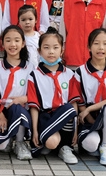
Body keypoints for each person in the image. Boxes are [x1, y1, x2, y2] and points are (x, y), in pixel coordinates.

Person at [72, 28, 106, 166]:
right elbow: (80, 101)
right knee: (90, 144)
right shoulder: (80, 72)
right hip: (88, 118)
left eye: (105, 44)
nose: (101, 47)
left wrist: (90, 109)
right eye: (96, 43)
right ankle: (98, 142)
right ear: (89, 47)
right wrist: (90, 118)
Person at [27, 29, 79, 163]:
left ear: (62, 51)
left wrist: (75, 129)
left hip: (65, 117)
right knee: (51, 142)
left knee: (68, 109)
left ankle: (65, 147)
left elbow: (74, 104)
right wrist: (35, 131)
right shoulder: (34, 76)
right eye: (46, 48)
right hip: (46, 117)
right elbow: (34, 106)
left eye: (55, 48)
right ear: (39, 51)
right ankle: (47, 139)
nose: (51, 52)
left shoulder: (70, 75)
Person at [0, 25, 34, 160]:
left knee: (16, 108)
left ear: (23, 43)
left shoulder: (30, 68)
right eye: (8, 40)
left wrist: (22, 99)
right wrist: (0, 117)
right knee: (1, 146)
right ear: (2, 44)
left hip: (22, 111)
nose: (12, 44)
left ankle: (20, 142)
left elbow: (35, 94)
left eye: (17, 40)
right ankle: (9, 137)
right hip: (1, 111)